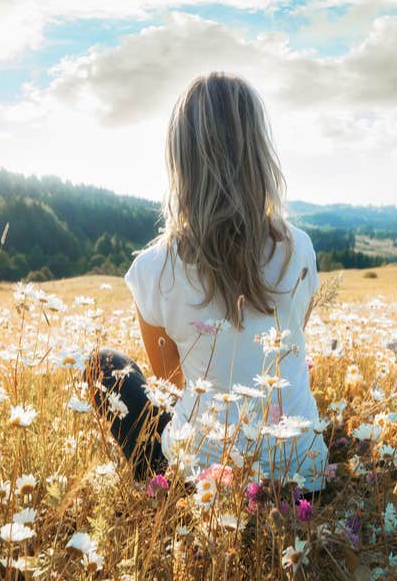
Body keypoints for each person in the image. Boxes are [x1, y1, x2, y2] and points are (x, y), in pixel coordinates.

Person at [84, 72, 328, 497]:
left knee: (102, 365)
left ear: (180, 162)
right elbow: (286, 344)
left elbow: (176, 383)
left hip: (203, 482)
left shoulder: (153, 269)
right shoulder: (298, 251)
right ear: (260, 156)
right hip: (303, 474)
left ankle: (159, 478)